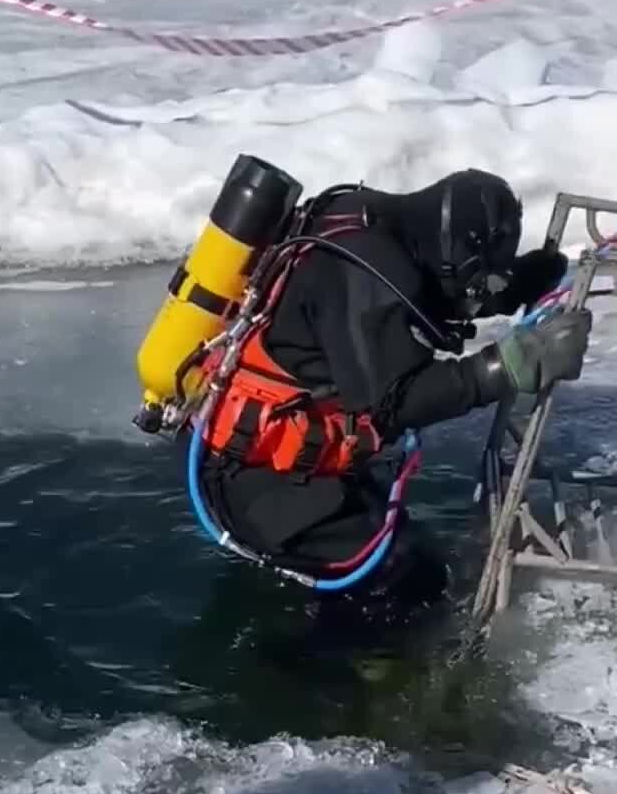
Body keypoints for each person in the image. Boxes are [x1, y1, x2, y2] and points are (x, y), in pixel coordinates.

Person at [199, 169, 590, 619]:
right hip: (259, 479)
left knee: (407, 556)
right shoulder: (369, 267)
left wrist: (513, 287)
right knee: (409, 583)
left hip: (267, 453)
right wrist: (509, 366)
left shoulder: (362, 219)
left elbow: (424, 293)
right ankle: (340, 677)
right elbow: (394, 402)